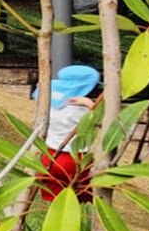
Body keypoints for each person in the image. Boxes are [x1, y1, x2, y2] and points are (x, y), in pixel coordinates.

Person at [37, 63, 101, 204]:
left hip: (49, 157)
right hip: (77, 161)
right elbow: (105, 124)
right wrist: (91, 106)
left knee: (56, 204)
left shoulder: (49, 104)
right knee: (80, 203)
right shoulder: (84, 110)